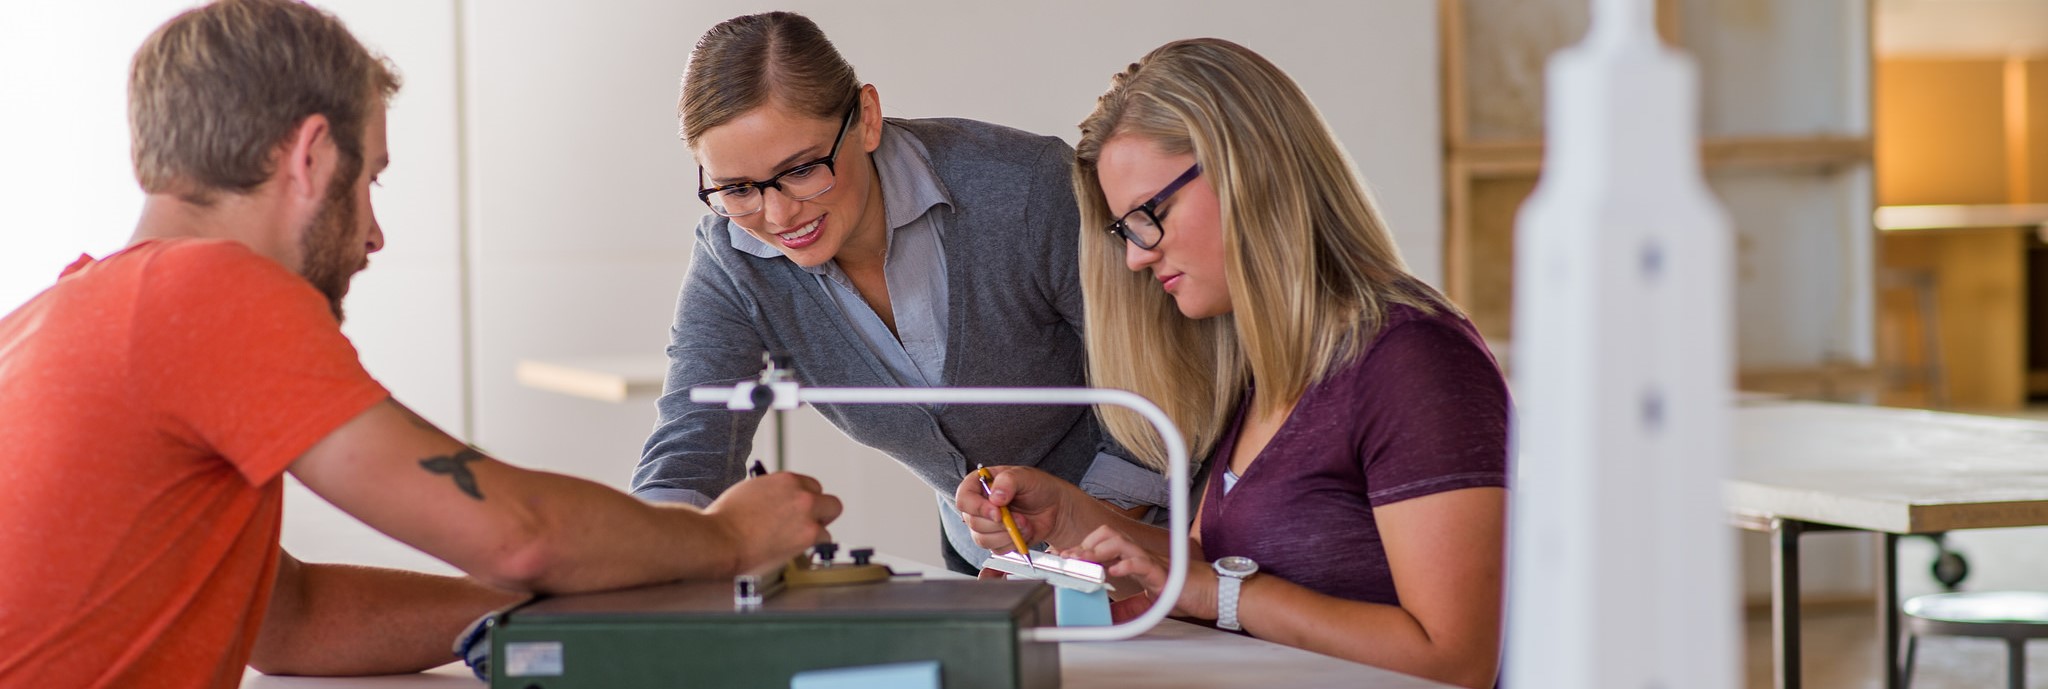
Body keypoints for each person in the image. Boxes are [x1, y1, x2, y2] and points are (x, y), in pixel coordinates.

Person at [0, 2, 840, 685]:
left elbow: (286, 620)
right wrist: (725, 540)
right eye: (370, 180)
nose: (374, 234)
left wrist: (545, 610)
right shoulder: (209, 291)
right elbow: (520, 531)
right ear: (311, 156)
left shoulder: (69, 311)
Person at [954, 38, 1510, 688]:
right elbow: (1210, 568)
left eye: (1149, 215)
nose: (1136, 257)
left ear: (1249, 169)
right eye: (1125, 230)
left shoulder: (1414, 359)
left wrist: (1221, 596)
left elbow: (1456, 659)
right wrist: (1075, 517)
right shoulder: (1261, 369)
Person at [634, 11, 1167, 574]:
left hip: (1156, 531)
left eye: (802, 169)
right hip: (989, 558)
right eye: (737, 188)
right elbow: (689, 444)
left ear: (866, 118)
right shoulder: (733, 258)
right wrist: (649, 565)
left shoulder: (1025, 187)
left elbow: (1161, 373)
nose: (777, 214)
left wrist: (1085, 535)